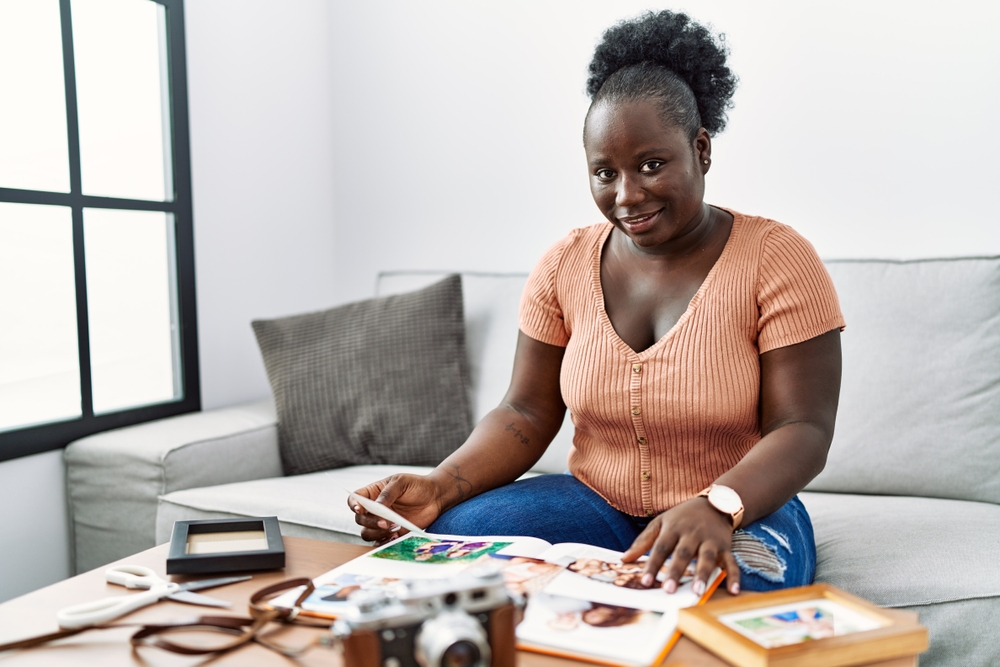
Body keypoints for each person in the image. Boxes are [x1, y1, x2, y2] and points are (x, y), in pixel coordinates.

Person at [350, 10, 843, 597]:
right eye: (604, 173)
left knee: (730, 599)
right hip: (592, 503)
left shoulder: (778, 258)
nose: (627, 195)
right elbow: (525, 414)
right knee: (440, 557)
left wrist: (717, 505)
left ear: (701, 150)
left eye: (652, 165)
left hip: (742, 506)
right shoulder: (563, 264)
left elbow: (803, 426)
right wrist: (441, 486)